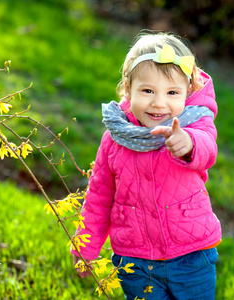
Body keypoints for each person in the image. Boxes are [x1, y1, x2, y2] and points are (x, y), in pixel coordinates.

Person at [71, 31, 221, 300]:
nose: (159, 103)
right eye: (148, 91)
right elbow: (99, 196)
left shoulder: (194, 125)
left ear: (187, 92)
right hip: (136, 260)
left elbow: (207, 149)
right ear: (128, 89)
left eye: (172, 92)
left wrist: (188, 144)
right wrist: (86, 245)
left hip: (191, 255)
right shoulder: (115, 138)